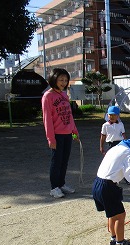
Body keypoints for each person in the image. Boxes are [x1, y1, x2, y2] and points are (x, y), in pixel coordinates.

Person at [92, 136, 130, 245]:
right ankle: (120, 244)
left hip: (98, 183)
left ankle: (114, 239)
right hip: (108, 187)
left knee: (112, 215)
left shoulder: (116, 148)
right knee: (120, 216)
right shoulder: (128, 153)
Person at [41, 68, 79, 199]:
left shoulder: (64, 95)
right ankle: (54, 187)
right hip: (57, 135)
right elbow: (47, 119)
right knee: (56, 161)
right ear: (54, 79)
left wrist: (74, 131)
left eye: (65, 80)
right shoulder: (48, 96)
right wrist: (51, 139)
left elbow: (69, 115)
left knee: (64, 161)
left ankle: (61, 184)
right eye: (61, 80)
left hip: (68, 133)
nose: (63, 82)